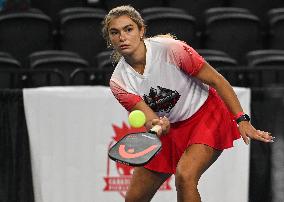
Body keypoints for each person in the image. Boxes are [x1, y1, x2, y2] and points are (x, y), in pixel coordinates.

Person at [102, 5, 274, 202]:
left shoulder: (172, 50)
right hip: (172, 129)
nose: (122, 37)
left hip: (205, 115)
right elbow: (150, 118)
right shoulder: (119, 82)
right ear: (110, 40)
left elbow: (217, 80)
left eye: (128, 29)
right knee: (134, 198)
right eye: (114, 33)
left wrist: (241, 119)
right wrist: (159, 125)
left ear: (142, 31)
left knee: (185, 176)